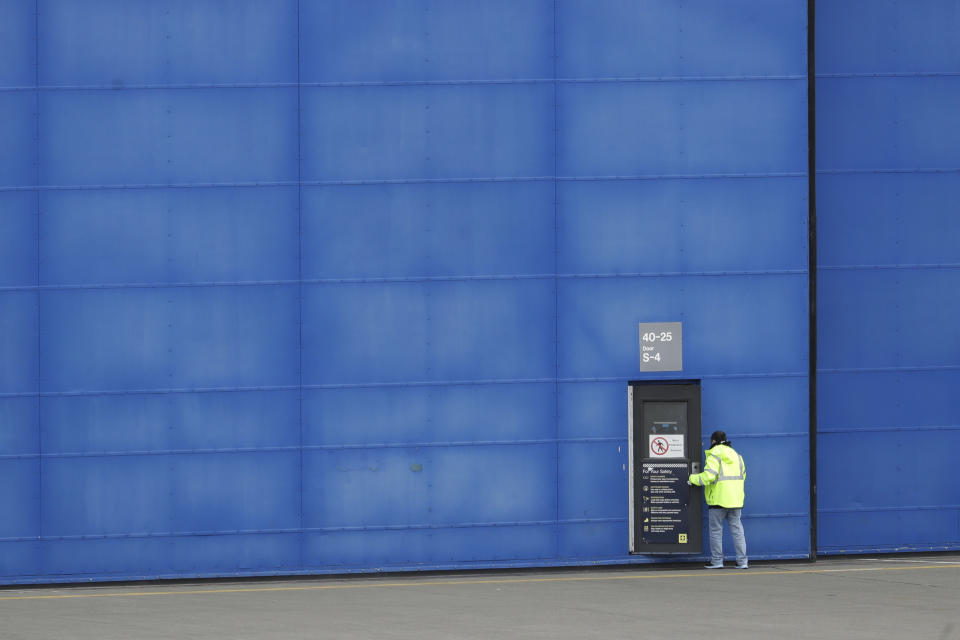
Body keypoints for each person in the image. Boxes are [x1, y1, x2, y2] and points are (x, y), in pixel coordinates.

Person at [688, 430, 747, 569]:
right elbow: (743, 476)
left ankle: (717, 561)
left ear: (713, 441)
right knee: (738, 531)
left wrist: (692, 478)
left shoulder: (714, 454)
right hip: (736, 499)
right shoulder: (737, 455)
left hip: (718, 500)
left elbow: (709, 476)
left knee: (716, 531)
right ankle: (743, 562)